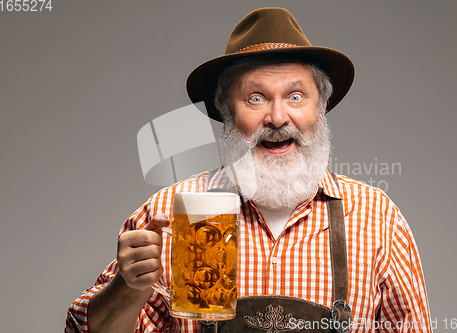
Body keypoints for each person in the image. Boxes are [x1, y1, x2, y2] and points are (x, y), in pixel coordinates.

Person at [66, 7, 432, 333]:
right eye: (255, 98)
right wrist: (127, 288)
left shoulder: (377, 219)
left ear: (321, 106)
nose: (276, 117)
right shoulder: (172, 213)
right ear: (225, 110)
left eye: (295, 96)